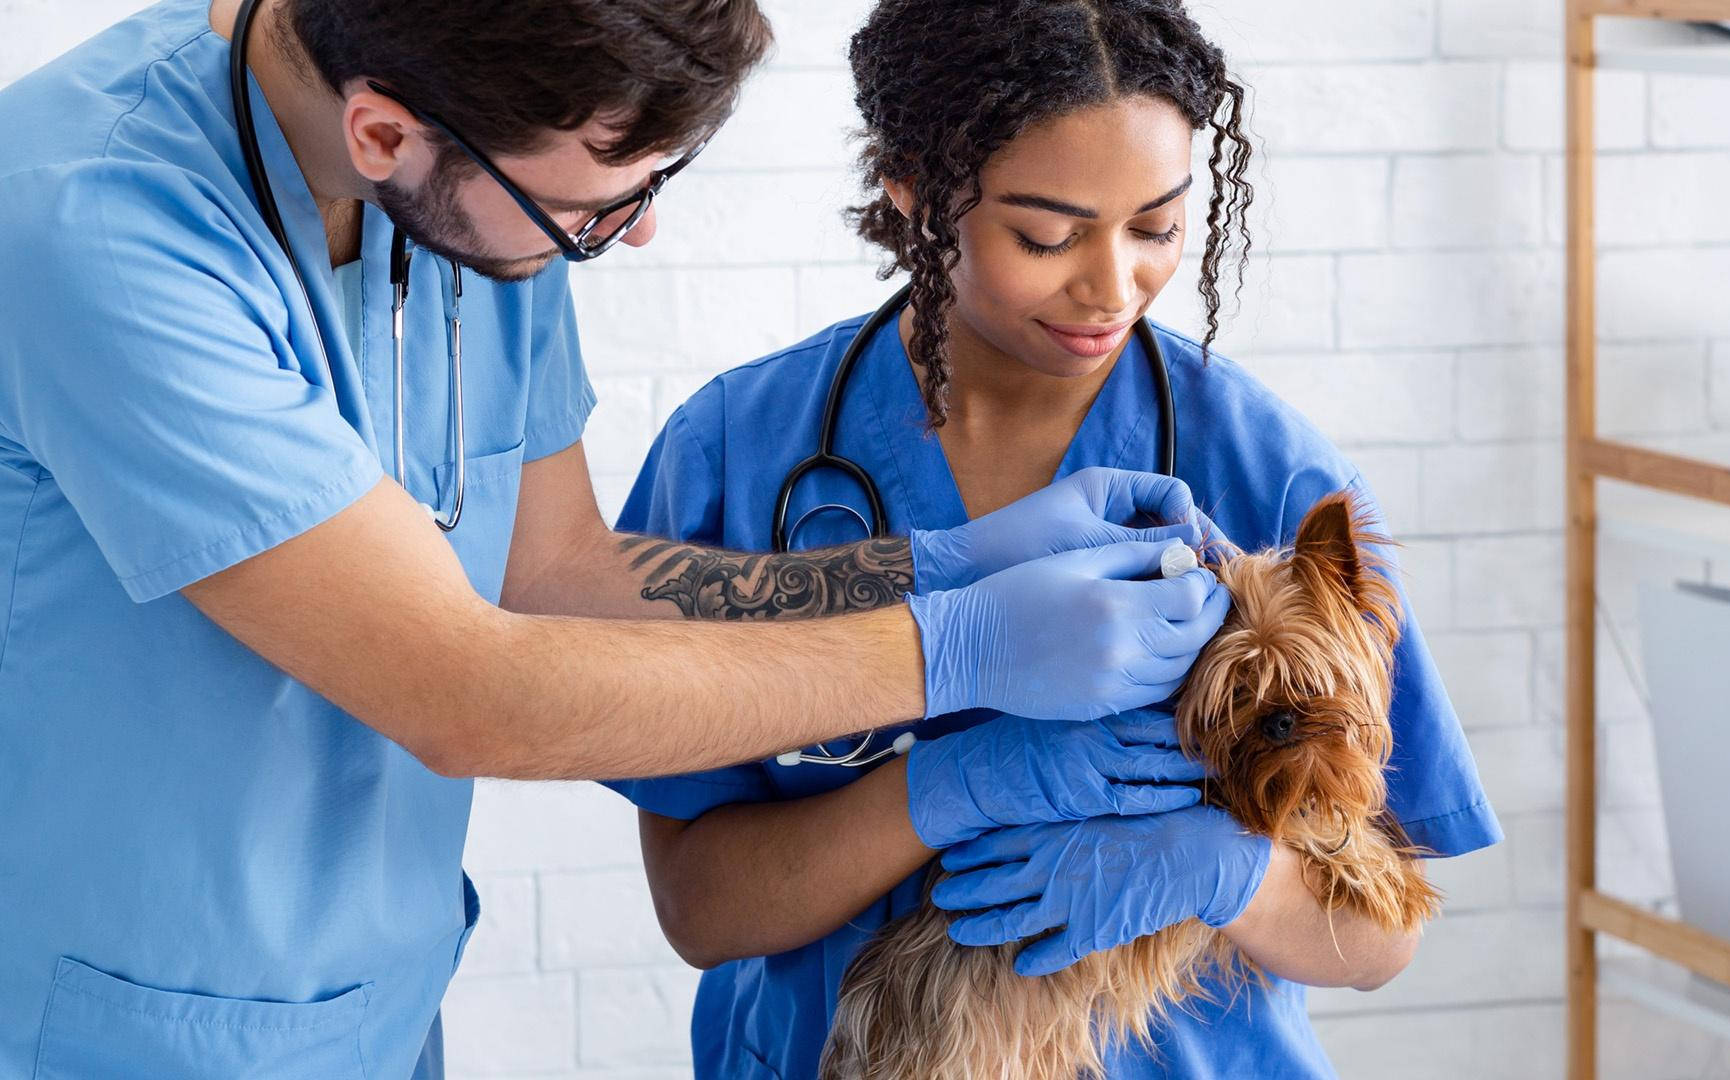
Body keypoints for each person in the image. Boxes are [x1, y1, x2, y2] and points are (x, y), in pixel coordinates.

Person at [0, 1, 1231, 1076]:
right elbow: (468, 691)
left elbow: (559, 575)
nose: (631, 233)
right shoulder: (95, 229)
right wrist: (956, 648)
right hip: (113, 1027)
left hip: (367, 1006)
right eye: (598, 206)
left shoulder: (471, 189)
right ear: (384, 134)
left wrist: (939, 562)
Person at [613, 1, 1503, 1077]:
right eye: (1046, 235)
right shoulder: (737, 454)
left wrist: (1224, 875)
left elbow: (1381, 940)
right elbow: (702, 912)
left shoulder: (1273, 474)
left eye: (1158, 228)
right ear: (911, 187)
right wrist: (947, 787)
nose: (1111, 285)